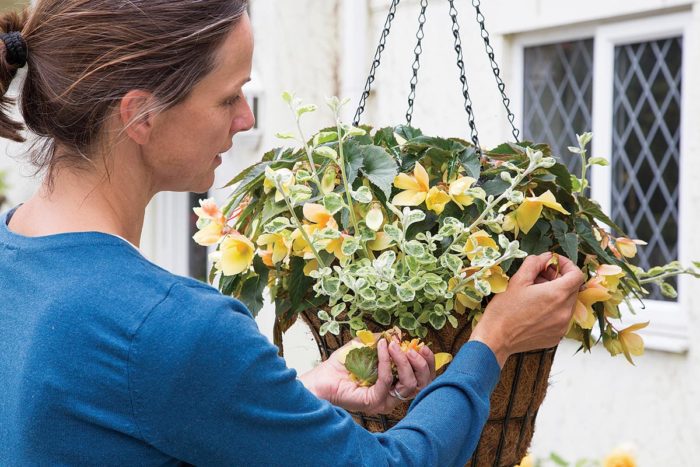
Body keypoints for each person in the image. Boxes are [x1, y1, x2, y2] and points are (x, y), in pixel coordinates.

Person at [0, 1, 583, 465]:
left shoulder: (13, 255)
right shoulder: (168, 326)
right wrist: (494, 341)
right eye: (229, 96)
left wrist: (295, 396)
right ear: (140, 115)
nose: (246, 119)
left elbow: (121, 419)